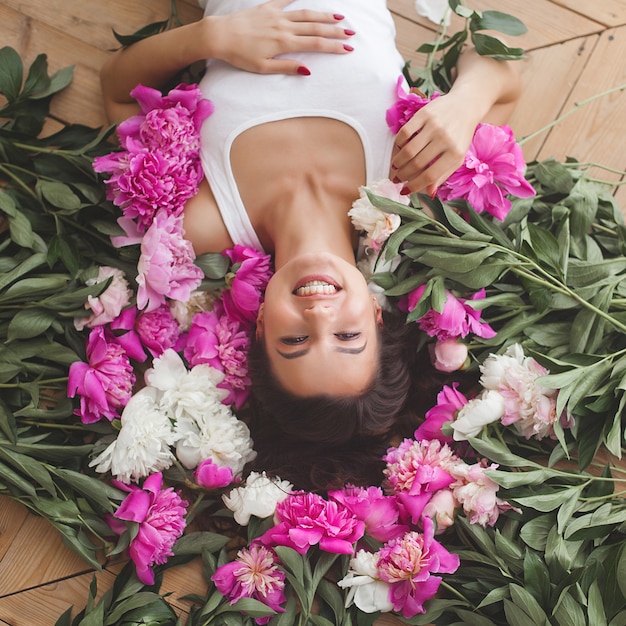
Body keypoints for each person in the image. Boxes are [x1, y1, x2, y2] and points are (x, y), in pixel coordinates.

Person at [101, 0, 521, 489]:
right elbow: (502, 63)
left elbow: (118, 90)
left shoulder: (204, 225)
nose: (320, 316)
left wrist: (211, 38)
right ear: (376, 314)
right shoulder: (413, 190)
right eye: (347, 337)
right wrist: (465, 106)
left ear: (259, 327)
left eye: (295, 341)